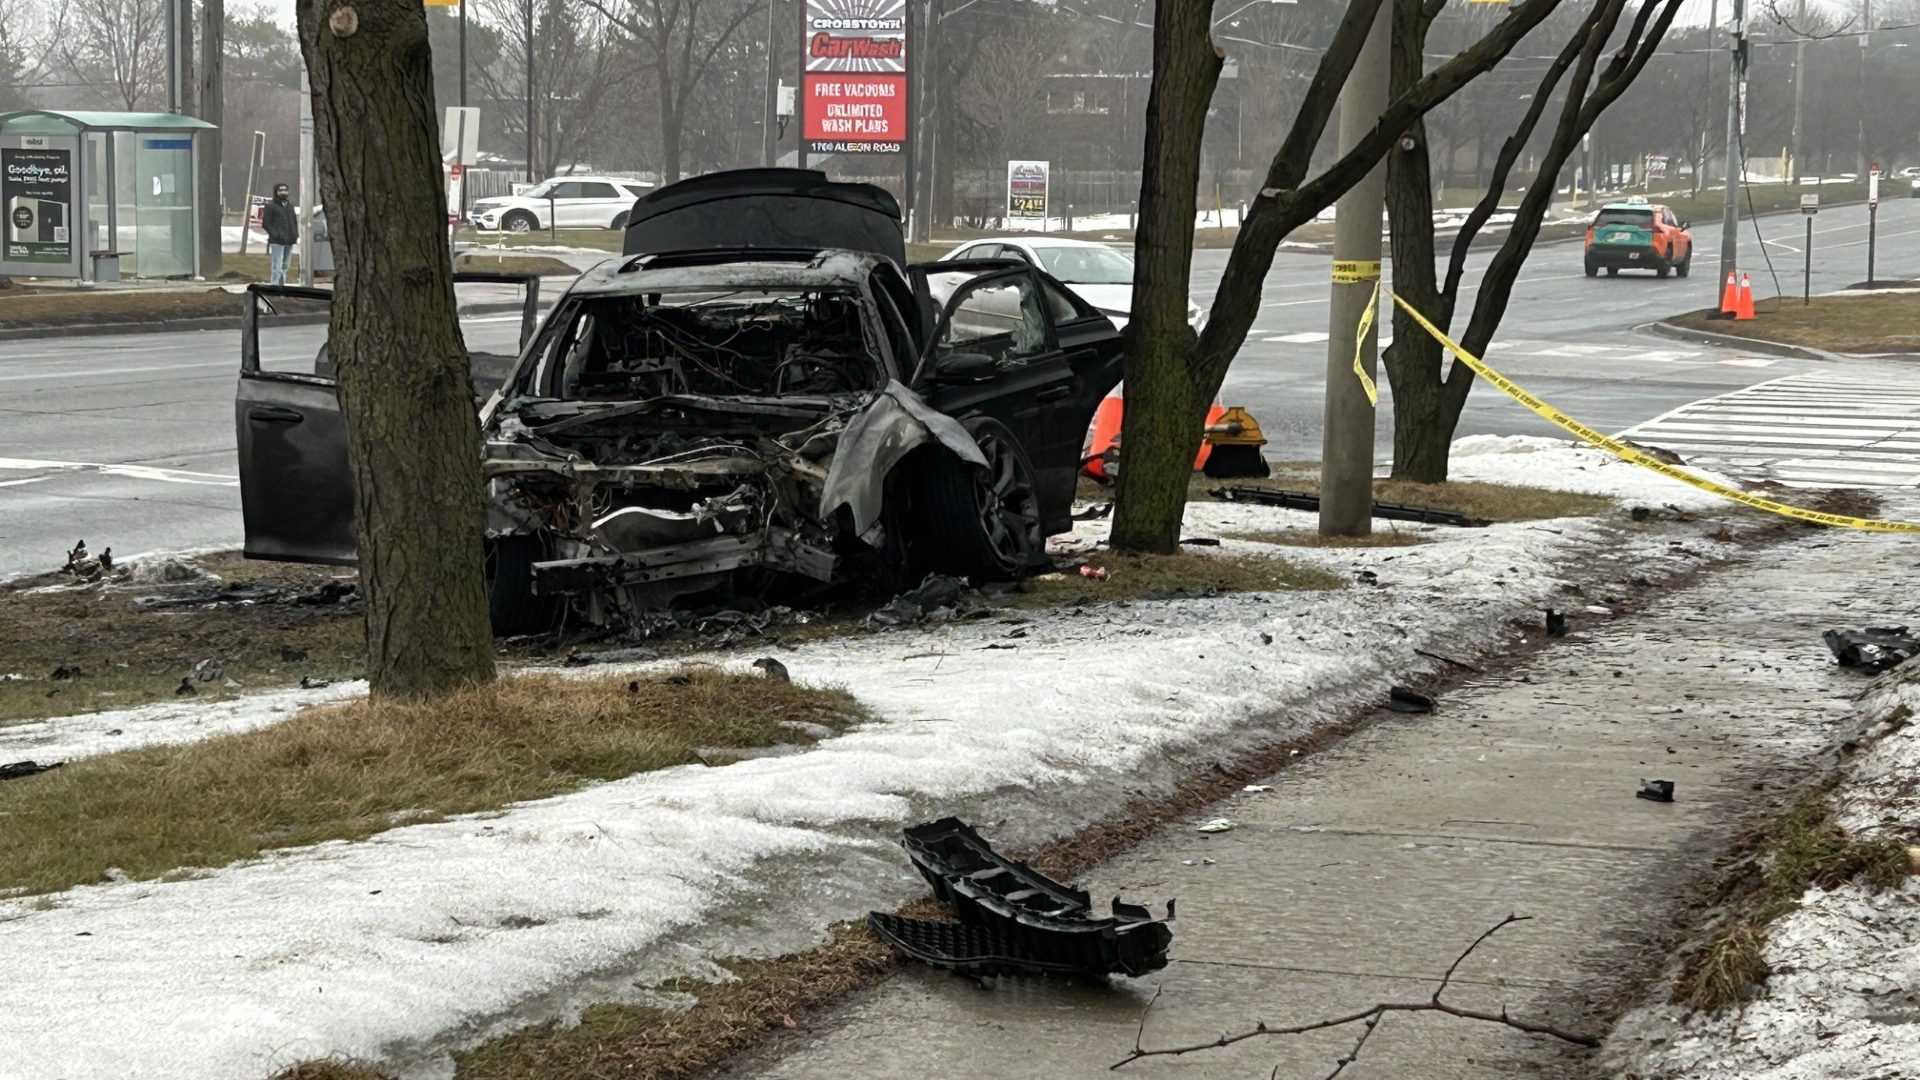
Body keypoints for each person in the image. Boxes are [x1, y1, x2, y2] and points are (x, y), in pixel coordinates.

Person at [262, 184, 299, 285]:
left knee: (285, 265)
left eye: (285, 190)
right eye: (281, 190)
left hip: (289, 240)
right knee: (276, 265)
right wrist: (275, 234)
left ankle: (282, 285)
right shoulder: (270, 206)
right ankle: (275, 285)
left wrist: (295, 234)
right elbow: (266, 223)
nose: (283, 192)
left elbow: (294, 222)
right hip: (277, 241)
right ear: (276, 192)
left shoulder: (290, 206)